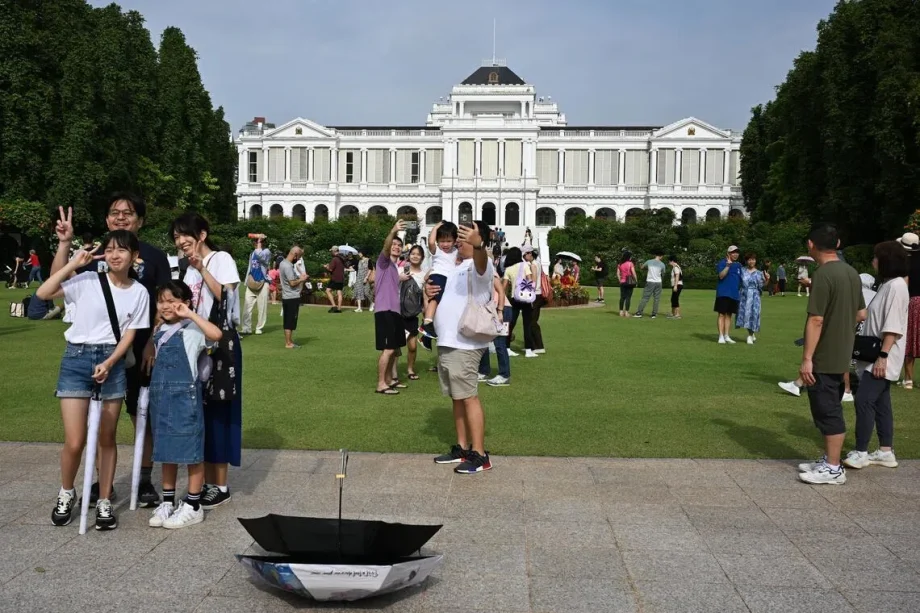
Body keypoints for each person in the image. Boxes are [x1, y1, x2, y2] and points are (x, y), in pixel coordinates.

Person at [51, 196, 171, 509]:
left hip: (138, 350)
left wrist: (151, 341)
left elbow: (164, 303)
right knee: (96, 423)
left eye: (128, 213)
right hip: (95, 353)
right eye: (114, 213)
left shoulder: (155, 257)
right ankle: (98, 482)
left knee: (140, 414)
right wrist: (64, 244)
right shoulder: (95, 257)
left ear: (140, 221)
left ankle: (143, 478)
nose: (120, 218)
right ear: (107, 221)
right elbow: (60, 284)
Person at [39, 231, 150, 530]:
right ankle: (67, 492)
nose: (115, 255)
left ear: (134, 256)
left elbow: (130, 334)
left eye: (122, 250)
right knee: (75, 441)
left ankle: (104, 500)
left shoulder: (139, 292)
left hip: (111, 362)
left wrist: (111, 362)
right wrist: (72, 259)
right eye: (110, 249)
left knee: (106, 437)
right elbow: (43, 293)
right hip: (76, 359)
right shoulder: (87, 281)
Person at [170, 212, 242, 508]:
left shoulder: (221, 258)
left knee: (218, 413)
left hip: (220, 344)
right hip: (195, 344)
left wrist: (202, 268)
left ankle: (221, 485)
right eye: (175, 236)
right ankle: (206, 481)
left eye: (184, 234)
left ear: (201, 234)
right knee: (200, 411)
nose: (180, 241)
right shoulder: (187, 268)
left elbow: (227, 298)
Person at [147, 281, 222, 529]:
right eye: (162, 301)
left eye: (172, 300)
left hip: (184, 398)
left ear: (186, 302)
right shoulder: (158, 329)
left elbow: (217, 335)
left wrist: (189, 313)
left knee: (190, 451)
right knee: (166, 450)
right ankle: (168, 500)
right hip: (161, 397)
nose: (166, 306)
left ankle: (193, 504)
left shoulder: (193, 329)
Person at [797, 224, 866, 485]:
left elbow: (816, 320)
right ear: (837, 244)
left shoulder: (823, 274)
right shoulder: (851, 273)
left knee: (827, 409)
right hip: (843, 350)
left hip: (825, 354)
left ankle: (834, 467)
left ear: (811, 245)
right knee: (830, 404)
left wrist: (806, 358)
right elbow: (861, 313)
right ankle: (829, 458)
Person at [430, 220, 495, 474]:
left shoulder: (480, 266)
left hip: (465, 344)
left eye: (464, 236)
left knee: (468, 396)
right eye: (459, 235)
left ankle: (480, 454)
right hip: (448, 341)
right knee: (457, 397)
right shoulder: (455, 265)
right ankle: (462, 447)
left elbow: (481, 261)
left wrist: (479, 244)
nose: (458, 241)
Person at [842, 241, 909, 471]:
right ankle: (885, 450)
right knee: (882, 403)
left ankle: (861, 451)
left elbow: (893, 325)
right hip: (878, 352)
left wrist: (883, 355)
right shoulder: (888, 284)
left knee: (864, 399)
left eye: (877, 257)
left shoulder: (896, 286)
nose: (873, 261)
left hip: (882, 354)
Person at [374, 220, 408, 395]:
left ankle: (388, 380)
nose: (395, 247)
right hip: (384, 310)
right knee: (388, 349)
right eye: (394, 244)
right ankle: (381, 383)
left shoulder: (394, 268)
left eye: (398, 245)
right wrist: (393, 230)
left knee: (394, 348)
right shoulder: (383, 261)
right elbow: (386, 245)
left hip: (395, 312)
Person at [419, 221, 458, 340]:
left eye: (449, 241)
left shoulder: (456, 252)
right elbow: (430, 242)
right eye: (442, 241)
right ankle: (427, 322)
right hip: (438, 276)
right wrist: (436, 226)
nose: (445, 244)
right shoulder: (437, 251)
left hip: (448, 279)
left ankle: (427, 330)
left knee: (439, 301)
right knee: (435, 299)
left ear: (455, 241)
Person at [503, 247, 539, 358]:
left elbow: (504, 287)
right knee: (527, 324)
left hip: (514, 298)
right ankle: (528, 350)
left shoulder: (508, 269)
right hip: (525, 297)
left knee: (510, 324)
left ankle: (507, 347)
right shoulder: (525, 266)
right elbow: (530, 281)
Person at [400, 245, 427, 379]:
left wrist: (425, 312)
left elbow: (425, 296)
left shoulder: (424, 275)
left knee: (412, 346)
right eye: (413, 253)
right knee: (395, 347)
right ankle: (392, 371)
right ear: (409, 255)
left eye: (418, 254)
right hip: (398, 314)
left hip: (412, 315)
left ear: (422, 257)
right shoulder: (401, 270)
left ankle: (410, 369)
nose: (415, 256)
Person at [898, 232, 919, 390]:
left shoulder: (906, 264)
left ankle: (909, 379)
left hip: (913, 302)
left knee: (911, 339)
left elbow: (904, 286)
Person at [241, 234, 271, 335]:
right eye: (255, 241)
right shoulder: (252, 253)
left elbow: (261, 257)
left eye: (258, 241)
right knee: (247, 306)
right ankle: (246, 328)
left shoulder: (266, 252)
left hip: (263, 282)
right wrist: (247, 281)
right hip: (252, 282)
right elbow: (250, 268)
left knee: (262, 307)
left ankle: (259, 327)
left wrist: (259, 242)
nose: (256, 243)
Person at [280, 245, 308, 349]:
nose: (298, 260)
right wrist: (302, 279)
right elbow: (292, 283)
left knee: (289, 320)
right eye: (299, 257)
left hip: (287, 296)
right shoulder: (287, 266)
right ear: (295, 254)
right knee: (290, 321)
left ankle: (289, 341)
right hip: (291, 297)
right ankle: (288, 343)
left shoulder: (283, 263)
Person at [736, 252, 767, 344]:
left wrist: (767, 279)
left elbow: (762, 286)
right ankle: (750, 332)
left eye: (753, 259)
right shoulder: (742, 270)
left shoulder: (759, 273)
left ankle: (750, 335)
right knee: (745, 315)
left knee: (754, 315)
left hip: (755, 296)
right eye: (749, 259)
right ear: (746, 261)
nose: (751, 261)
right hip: (744, 296)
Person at [715, 246, 743, 343]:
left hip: (734, 294)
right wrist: (727, 266)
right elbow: (721, 276)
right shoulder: (722, 263)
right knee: (722, 314)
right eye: (733, 252)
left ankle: (726, 335)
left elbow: (742, 280)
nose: (735, 254)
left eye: (737, 252)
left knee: (729, 315)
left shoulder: (739, 265)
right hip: (723, 293)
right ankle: (721, 336)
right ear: (728, 253)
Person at [524, 246, 546, 354]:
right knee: (532, 320)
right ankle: (532, 345)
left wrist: (529, 293)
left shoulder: (533, 265)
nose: (525, 256)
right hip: (538, 294)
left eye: (526, 254)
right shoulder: (537, 264)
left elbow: (533, 281)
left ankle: (538, 345)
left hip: (535, 294)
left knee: (532, 321)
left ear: (530, 255)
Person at [633, 251, 665, 319]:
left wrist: (644, 267)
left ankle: (639, 313)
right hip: (659, 282)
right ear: (661, 256)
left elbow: (642, 267)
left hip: (650, 281)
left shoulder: (649, 261)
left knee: (645, 298)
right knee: (656, 299)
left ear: (655, 255)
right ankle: (654, 314)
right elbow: (663, 273)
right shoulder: (662, 264)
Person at [324, 246, 345, 313]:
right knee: (339, 292)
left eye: (331, 251)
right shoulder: (342, 258)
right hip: (341, 278)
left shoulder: (335, 259)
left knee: (327, 291)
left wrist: (326, 267)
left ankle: (334, 306)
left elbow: (330, 269)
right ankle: (339, 309)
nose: (331, 252)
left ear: (334, 251)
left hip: (335, 278)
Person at [617, 251, 637, 317]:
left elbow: (617, 273)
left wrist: (620, 280)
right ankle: (626, 312)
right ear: (629, 257)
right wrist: (636, 280)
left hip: (622, 282)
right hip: (629, 282)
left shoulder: (620, 264)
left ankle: (620, 312)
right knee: (628, 297)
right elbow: (633, 273)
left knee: (622, 297)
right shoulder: (630, 263)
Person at [667, 255, 683, 319]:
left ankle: (677, 314)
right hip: (676, 285)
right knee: (673, 299)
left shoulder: (675, 267)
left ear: (672, 261)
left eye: (669, 261)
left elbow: (677, 276)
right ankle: (673, 313)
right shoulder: (675, 267)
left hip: (678, 285)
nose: (669, 262)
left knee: (675, 299)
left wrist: (675, 286)